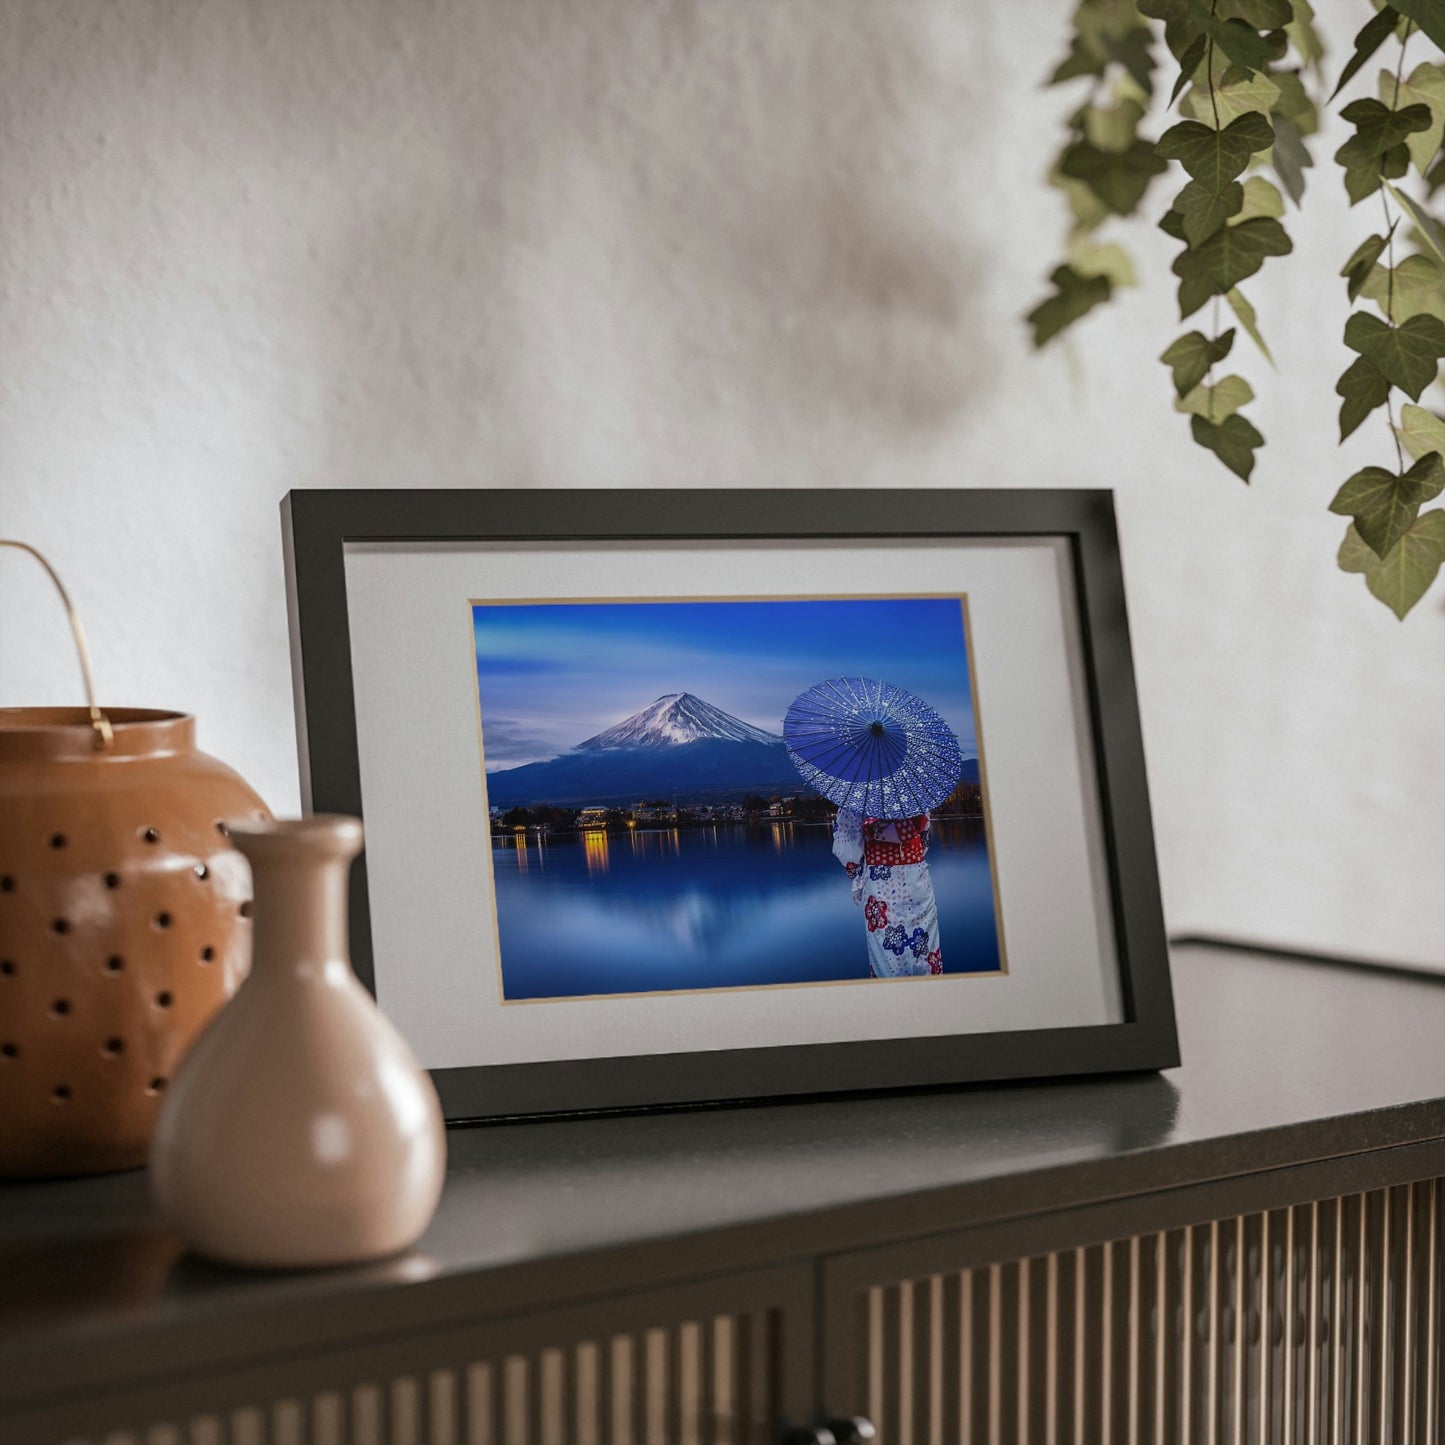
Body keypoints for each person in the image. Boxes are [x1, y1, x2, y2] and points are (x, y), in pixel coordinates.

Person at [831, 808, 942, 978]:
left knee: (886, 955)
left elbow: (846, 850)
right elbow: (924, 842)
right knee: (924, 950)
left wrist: (859, 870)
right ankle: (929, 998)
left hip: (881, 882)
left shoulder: (858, 798)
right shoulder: (915, 795)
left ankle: (890, 999)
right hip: (917, 879)